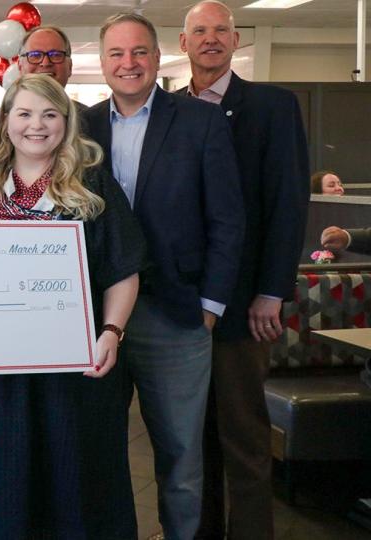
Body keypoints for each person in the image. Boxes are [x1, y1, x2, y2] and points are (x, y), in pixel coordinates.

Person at [0, 73, 145, 539]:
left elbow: (124, 270)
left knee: (73, 477)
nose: (36, 125)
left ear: (66, 121)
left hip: (75, 369)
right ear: (6, 121)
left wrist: (112, 332)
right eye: (24, 113)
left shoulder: (93, 184)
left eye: (49, 114)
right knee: (3, 476)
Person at [83, 13, 244, 540]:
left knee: (180, 459)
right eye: (116, 54)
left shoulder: (200, 120)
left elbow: (227, 218)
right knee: (100, 455)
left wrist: (212, 304)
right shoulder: (80, 127)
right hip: (97, 317)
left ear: (158, 57)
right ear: (102, 62)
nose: (128, 64)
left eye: (139, 52)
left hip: (177, 316)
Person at [178, 2, 311, 538]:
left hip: (244, 308)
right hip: (183, 306)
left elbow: (287, 205)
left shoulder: (273, 107)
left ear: (236, 42)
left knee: (244, 436)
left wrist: (271, 293)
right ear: (183, 44)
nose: (210, 40)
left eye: (221, 31)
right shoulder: (170, 109)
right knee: (192, 437)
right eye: (199, 32)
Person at [17, 25, 88, 112]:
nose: (45, 63)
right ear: (20, 67)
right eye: (35, 55)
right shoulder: (0, 121)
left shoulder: (91, 120)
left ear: (70, 66)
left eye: (55, 55)